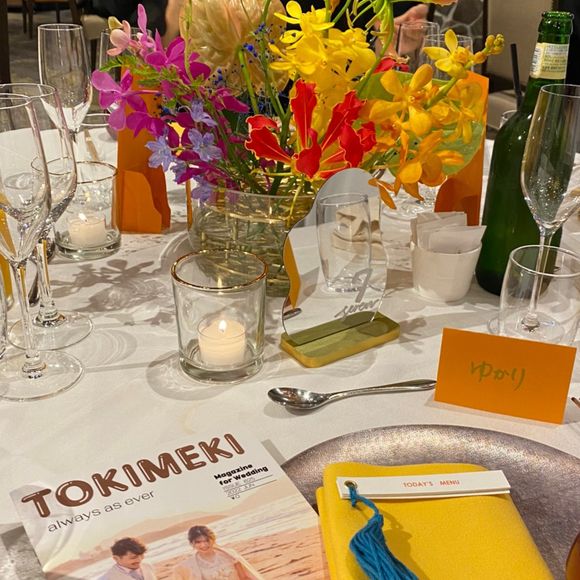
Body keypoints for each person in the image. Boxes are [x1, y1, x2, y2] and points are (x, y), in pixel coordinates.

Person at [172, 525, 263, 580]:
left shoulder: (229, 555)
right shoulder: (187, 567)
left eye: (206, 540)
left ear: (213, 539)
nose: (203, 545)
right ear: (192, 543)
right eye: (198, 542)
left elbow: (244, 578)